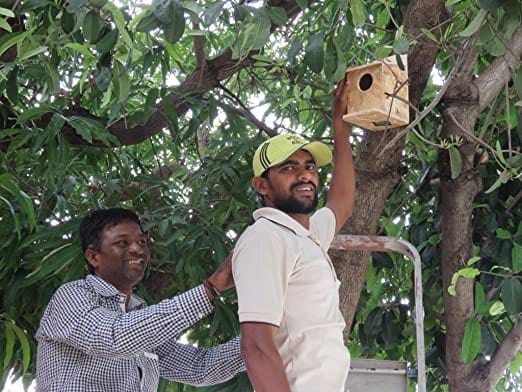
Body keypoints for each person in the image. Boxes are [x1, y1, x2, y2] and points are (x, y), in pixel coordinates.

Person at [232, 78, 355, 392]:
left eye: (310, 167)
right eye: (288, 168)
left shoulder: (307, 235)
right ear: (262, 185)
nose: (304, 175)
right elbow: (256, 346)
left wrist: (340, 125)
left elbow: (341, 203)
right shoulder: (266, 238)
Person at [36, 208, 245, 392]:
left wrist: (270, 332)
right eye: (122, 243)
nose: (137, 249)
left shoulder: (138, 319)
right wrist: (210, 289)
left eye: (142, 242)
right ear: (93, 257)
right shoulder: (72, 296)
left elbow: (201, 367)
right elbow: (114, 338)